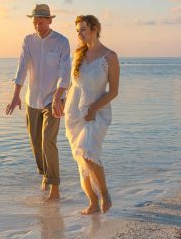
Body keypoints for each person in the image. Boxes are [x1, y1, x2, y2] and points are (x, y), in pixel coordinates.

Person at [5, 4, 71, 202]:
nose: (38, 23)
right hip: (32, 99)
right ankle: (45, 175)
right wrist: (16, 94)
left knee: (47, 142)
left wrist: (60, 95)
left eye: (41, 20)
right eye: (35, 20)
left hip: (54, 100)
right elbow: (22, 67)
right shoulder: (28, 40)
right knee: (36, 144)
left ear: (50, 20)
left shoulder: (61, 41)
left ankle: (55, 188)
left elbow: (65, 71)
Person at [60, 14, 119, 214]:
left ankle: (104, 192)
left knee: (87, 154)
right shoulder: (78, 54)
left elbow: (114, 91)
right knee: (80, 159)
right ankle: (92, 202)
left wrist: (93, 108)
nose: (79, 34)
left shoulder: (110, 57)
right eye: (77, 30)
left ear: (94, 28)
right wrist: (60, 100)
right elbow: (72, 84)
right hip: (74, 113)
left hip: (97, 113)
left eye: (83, 29)